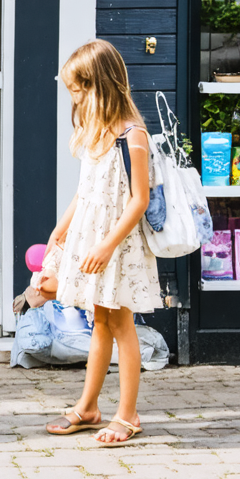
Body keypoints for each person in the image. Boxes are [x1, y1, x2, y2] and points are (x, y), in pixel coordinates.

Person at [44, 40, 159, 447]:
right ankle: (88, 406)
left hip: (116, 247)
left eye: (77, 90)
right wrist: (61, 230)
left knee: (121, 323)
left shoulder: (133, 135)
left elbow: (139, 199)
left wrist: (108, 245)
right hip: (91, 241)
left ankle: (127, 414)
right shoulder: (97, 132)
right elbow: (85, 190)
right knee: (100, 322)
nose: (74, 98)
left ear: (100, 86)